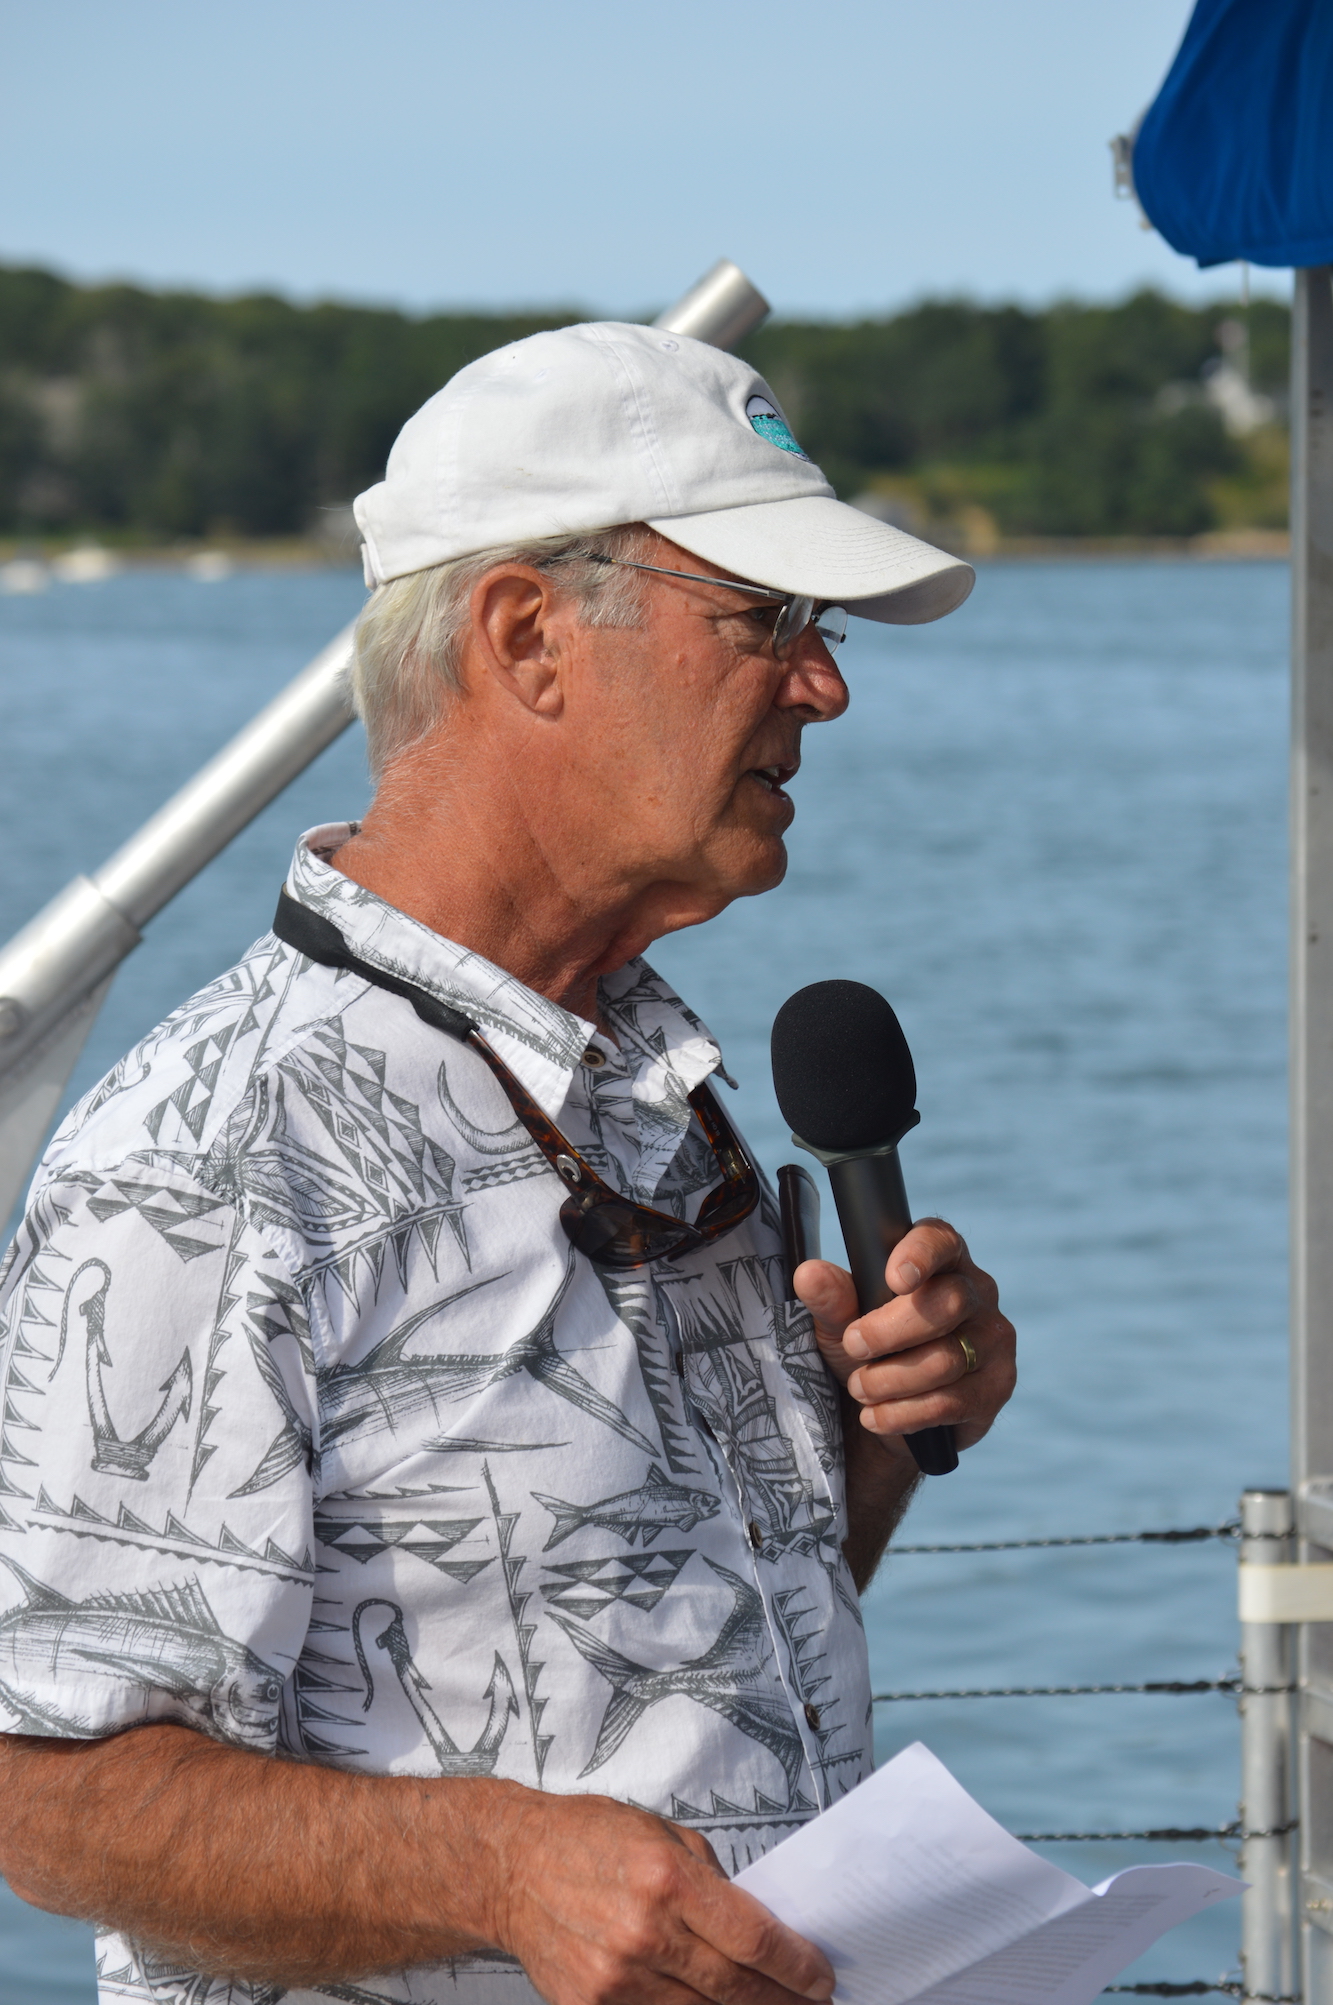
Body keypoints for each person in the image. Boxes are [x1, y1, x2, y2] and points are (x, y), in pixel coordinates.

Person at [0, 321, 1016, 2005]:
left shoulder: (638, 1084)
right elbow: (45, 1791)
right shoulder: (211, 1155)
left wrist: (880, 1431)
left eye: (818, 633)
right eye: (764, 620)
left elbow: (694, 1634)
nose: (823, 684)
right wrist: (501, 1869)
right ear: (529, 635)